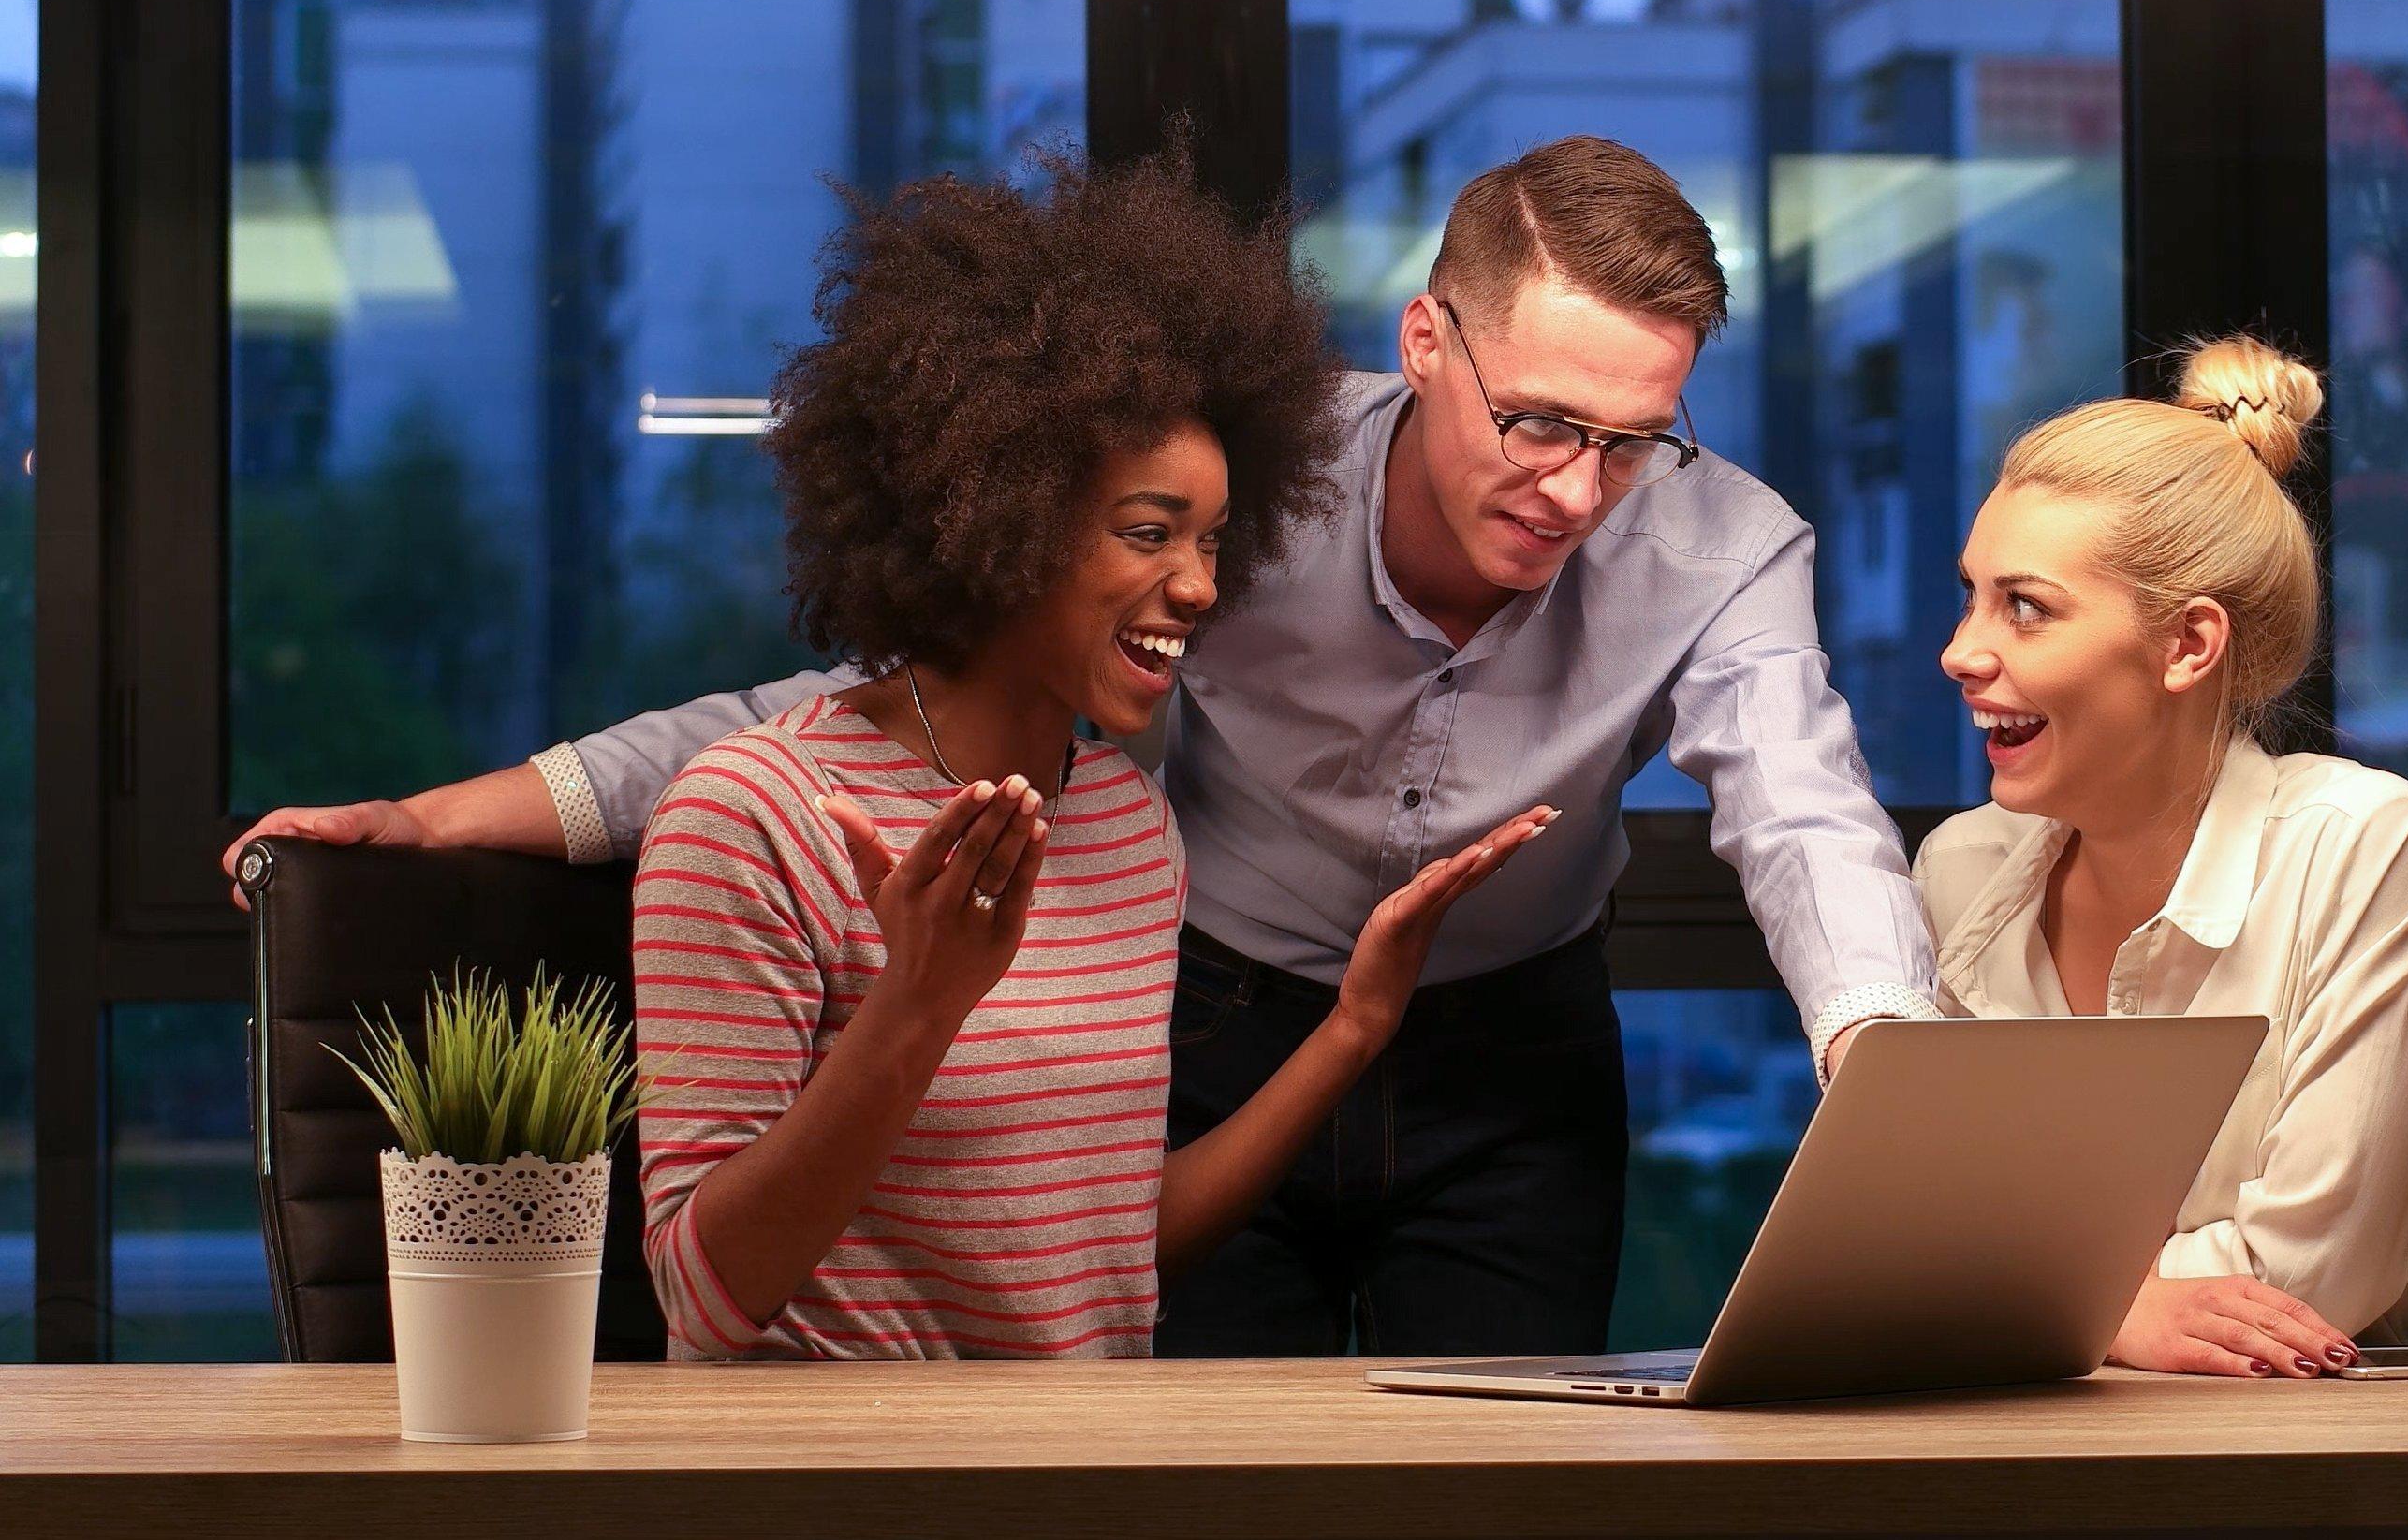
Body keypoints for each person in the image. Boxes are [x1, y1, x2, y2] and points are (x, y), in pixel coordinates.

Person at [227, 135, 1941, 1358]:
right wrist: (462, 813)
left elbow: (1808, 818)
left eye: (1633, 442)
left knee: (1507, 1493)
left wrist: (1890, 1071)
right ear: (1427, 343)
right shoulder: (1245, 488)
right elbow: (865, 710)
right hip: (1207, 1018)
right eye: (1541, 422)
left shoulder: (1725, 546)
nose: (1575, 487)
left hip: (1510, 1059)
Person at [630, 157, 1551, 1358]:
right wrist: (917, 1003)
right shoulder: (751, 819)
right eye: (1148, 533)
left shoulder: (1122, 821)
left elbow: (1108, 1252)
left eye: (1216, 539)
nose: (1202, 585)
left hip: (1079, 1487)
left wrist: (1352, 1030)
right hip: (841, 1497)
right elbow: (703, 1295)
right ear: (994, 514)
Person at [1918, 335, 2408, 1379]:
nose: (1961, 650)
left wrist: (2029, 1298)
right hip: (2028, 1453)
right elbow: (1916, 1255)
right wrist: (2122, 1311)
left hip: (2336, 1470)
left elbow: (2307, 1279)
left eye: (2024, 607)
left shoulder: (2362, 843)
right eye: (1971, 594)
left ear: (2188, 645)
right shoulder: (1962, 866)